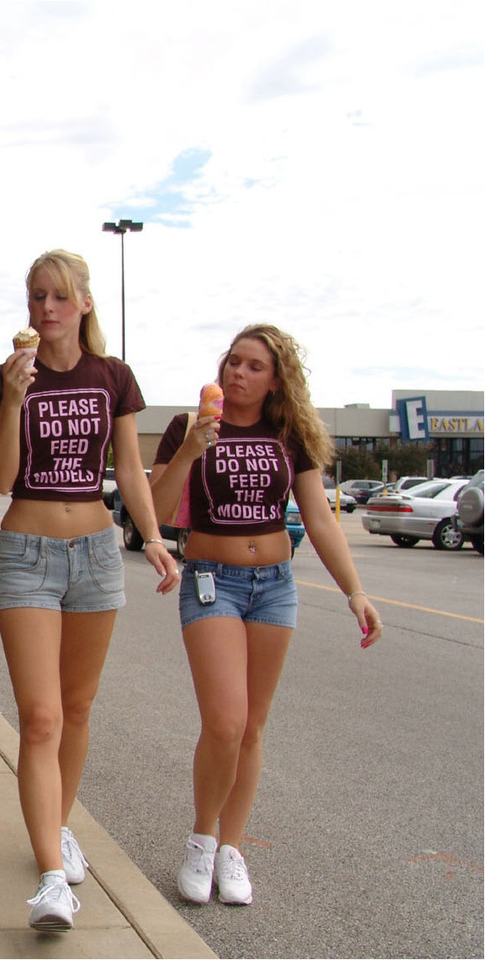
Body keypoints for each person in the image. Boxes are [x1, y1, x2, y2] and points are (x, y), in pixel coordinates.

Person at [0, 249, 178, 933]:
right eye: (36, 297)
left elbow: (128, 465)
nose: (46, 309)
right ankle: (52, 880)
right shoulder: (2, 379)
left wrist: (150, 536)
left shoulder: (111, 377)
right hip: (27, 551)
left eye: (59, 297)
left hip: (94, 551)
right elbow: (1, 478)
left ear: (85, 304)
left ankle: (57, 826)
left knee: (77, 708)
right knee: (40, 717)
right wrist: (14, 398)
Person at [150, 323, 382, 906]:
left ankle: (232, 848)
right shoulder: (187, 426)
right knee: (225, 722)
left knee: (252, 727)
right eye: (233, 361)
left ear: (276, 379)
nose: (238, 373)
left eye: (254, 366)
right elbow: (154, 508)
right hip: (212, 582)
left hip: (275, 585)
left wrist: (354, 590)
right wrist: (189, 451)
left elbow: (320, 519)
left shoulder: (287, 434)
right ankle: (202, 839)